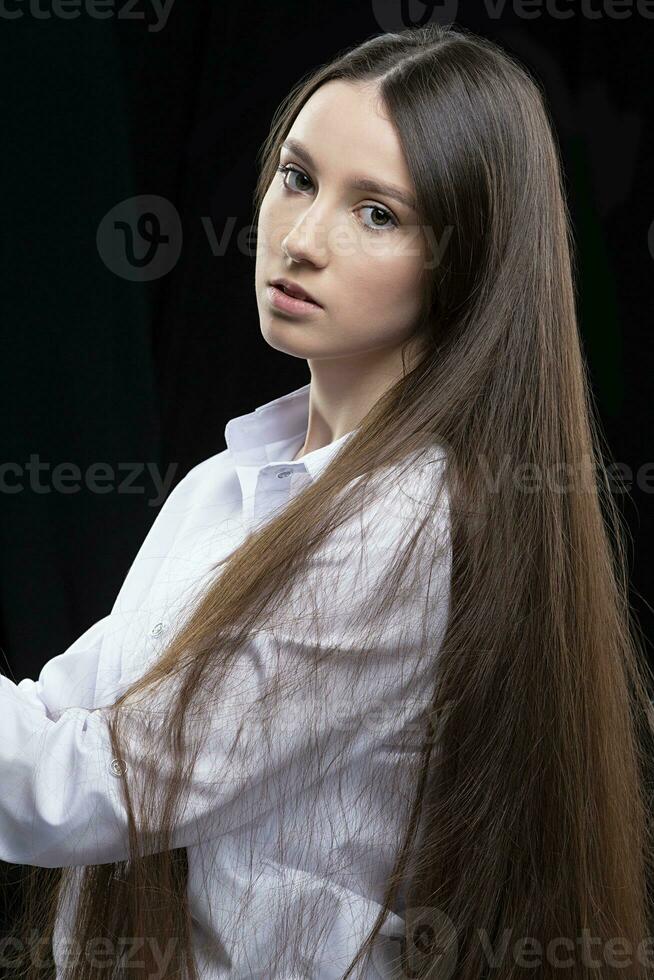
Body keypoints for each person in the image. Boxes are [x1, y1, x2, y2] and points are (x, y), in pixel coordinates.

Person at [4, 21, 653, 980]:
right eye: (298, 178)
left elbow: (96, 789)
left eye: (378, 213)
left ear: (463, 261)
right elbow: (61, 716)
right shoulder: (225, 487)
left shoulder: (405, 528)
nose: (302, 239)